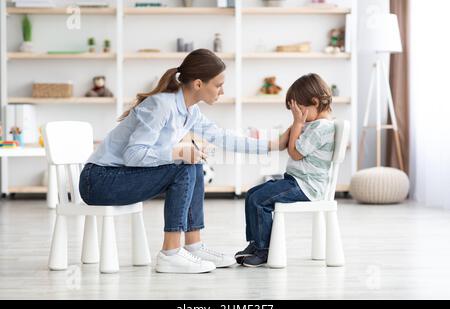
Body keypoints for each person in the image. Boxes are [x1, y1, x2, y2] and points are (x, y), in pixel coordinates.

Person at [79, 49, 290, 274]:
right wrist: (177, 152)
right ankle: (170, 253)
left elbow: (223, 138)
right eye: (218, 85)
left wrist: (272, 145)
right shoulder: (161, 105)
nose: (222, 91)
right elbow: (134, 155)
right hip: (99, 181)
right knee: (185, 163)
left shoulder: (190, 111)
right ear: (199, 84)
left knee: (192, 162)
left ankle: (193, 246)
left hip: (120, 178)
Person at [235, 73, 336, 267]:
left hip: (306, 186)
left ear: (314, 101)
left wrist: (298, 123)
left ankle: (264, 249)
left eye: (299, 109)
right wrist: (296, 124)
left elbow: (295, 153)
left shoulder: (322, 128)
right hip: (295, 181)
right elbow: (283, 144)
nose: (296, 115)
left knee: (259, 200)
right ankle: (256, 244)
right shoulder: (311, 125)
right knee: (253, 194)